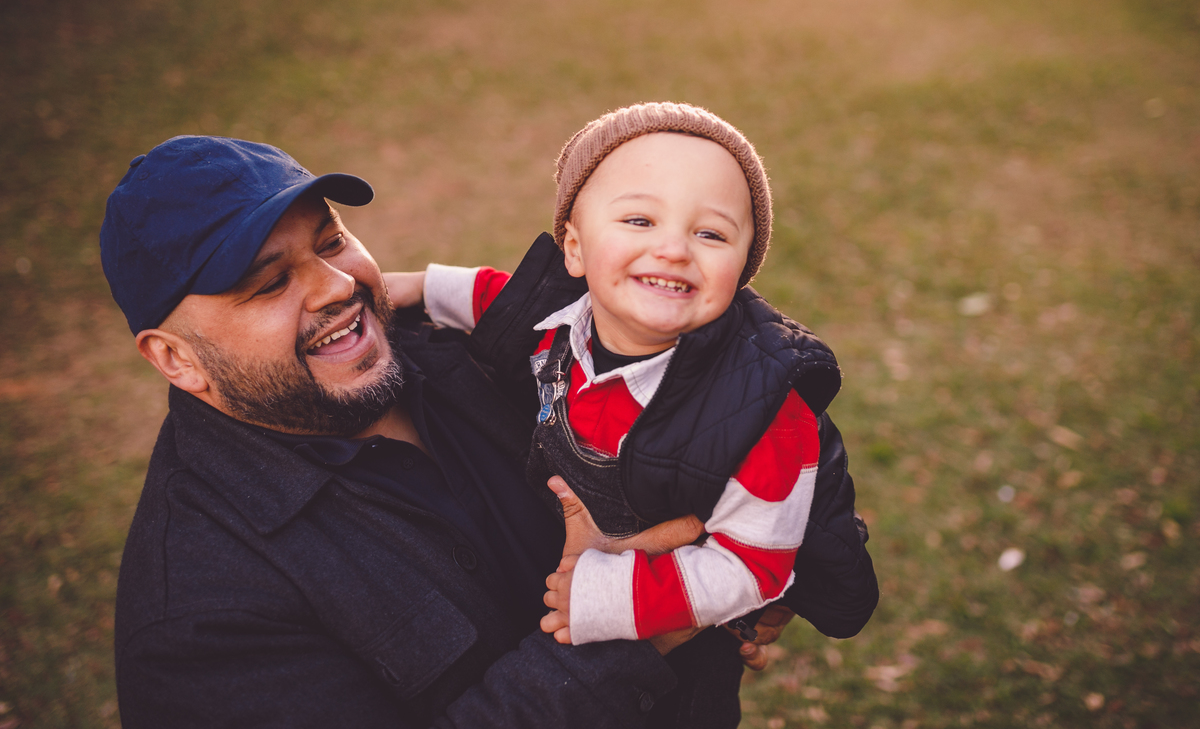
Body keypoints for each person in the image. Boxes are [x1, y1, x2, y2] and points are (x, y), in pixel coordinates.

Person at [100, 135, 775, 728]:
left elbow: (710, 403)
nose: (337, 286)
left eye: (331, 241)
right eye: (269, 283)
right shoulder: (198, 618)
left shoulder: (471, 351)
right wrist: (641, 623)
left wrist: (763, 558)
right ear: (175, 358)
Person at [386, 103, 879, 716]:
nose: (673, 248)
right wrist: (414, 285)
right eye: (640, 219)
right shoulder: (558, 321)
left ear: (743, 269)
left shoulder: (765, 413)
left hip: (676, 647)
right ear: (575, 249)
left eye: (711, 234)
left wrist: (612, 596)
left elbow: (756, 570)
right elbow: (497, 298)